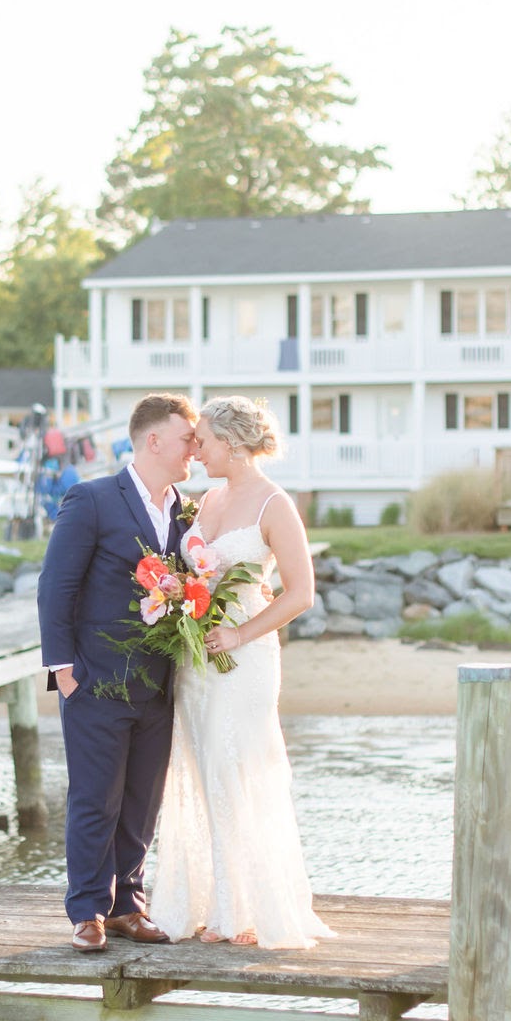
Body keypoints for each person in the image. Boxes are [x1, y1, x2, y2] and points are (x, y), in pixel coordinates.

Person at [150, 396, 333, 950]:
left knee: (239, 768)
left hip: (244, 656)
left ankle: (247, 912)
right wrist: (178, 595)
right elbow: (193, 570)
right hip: (198, 657)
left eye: (202, 440)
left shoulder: (274, 504)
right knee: (203, 768)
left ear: (229, 442)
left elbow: (301, 593)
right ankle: (213, 904)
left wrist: (239, 634)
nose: (196, 449)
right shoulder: (206, 501)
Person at [36, 393, 199, 953]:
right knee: (94, 799)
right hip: (94, 682)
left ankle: (129, 903)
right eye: (187, 439)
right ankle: (86, 910)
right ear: (153, 440)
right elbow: (56, 586)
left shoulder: (187, 511)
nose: (194, 450)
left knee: (142, 802)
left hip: (159, 683)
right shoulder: (93, 499)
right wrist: (63, 672)